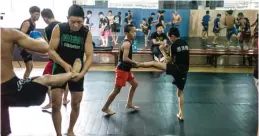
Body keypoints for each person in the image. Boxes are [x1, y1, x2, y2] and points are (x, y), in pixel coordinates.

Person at [1, 28, 82, 136]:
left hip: (8, 88)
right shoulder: (7, 33)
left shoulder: (8, 33)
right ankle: (73, 74)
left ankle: (73, 74)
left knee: (46, 79)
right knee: (46, 79)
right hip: (8, 88)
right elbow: (44, 48)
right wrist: (37, 36)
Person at [48, 4, 93, 136]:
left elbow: (90, 56)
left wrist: (82, 73)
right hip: (60, 68)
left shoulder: (86, 33)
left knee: (76, 103)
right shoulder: (59, 28)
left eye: (79, 22)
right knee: (56, 104)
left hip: (77, 71)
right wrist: (63, 63)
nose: (75, 25)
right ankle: (58, 134)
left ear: (83, 20)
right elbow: (50, 51)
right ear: (67, 18)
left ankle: (70, 130)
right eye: (72, 21)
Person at [139, 27, 189, 121]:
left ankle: (137, 65)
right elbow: (180, 53)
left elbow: (168, 60)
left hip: (176, 69)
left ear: (173, 36)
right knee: (180, 92)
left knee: (154, 63)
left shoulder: (174, 45)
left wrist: (162, 50)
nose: (169, 40)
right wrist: (169, 49)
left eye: (169, 38)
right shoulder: (185, 43)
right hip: (185, 70)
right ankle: (181, 114)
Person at [102, 24, 140, 115]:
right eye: (132, 32)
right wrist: (134, 63)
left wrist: (132, 64)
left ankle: (129, 103)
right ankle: (105, 108)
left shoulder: (129, 42)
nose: (134, 34)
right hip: (122, 70)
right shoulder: (127, 43)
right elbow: (125, 58)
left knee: (134, 84)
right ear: (126, 33)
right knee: (116, 90)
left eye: (135, 32)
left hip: (126, 70)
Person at [40, 8, 70, 109]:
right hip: (66, 58)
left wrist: (48, 54)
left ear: (45, 18)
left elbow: (50, 47)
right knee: (66, 79)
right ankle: (65, 99)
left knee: (45, 78)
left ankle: (51, 102)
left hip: (55, 59)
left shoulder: (48, 29)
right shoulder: (61, 25)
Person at [19, 6, 41, 79]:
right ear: (31, 13)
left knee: (30, 67)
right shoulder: (27, 23)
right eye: (36, 14)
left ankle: (25, 82)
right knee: (29, 67)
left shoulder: (34, 24)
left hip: (28, 46)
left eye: (39, 14)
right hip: (23, 47)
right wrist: (31, 35)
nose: (38, 16)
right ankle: (24, 84)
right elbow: (20, 36)